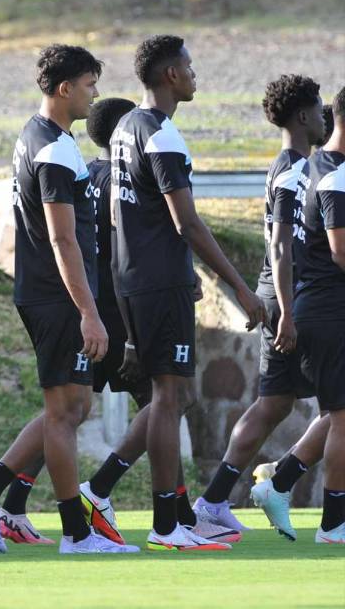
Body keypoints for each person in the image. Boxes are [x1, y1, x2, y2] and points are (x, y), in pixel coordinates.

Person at [0, 45, 138, 554]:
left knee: (74, 406)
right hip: (58, 297)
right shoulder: (55, 149)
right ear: (65, 89)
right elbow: (63, 239)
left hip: (49, 293)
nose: (95, 94)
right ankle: (76, 534)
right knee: (64, 413)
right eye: (89, 84)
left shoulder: (37, 136)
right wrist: (88, 311)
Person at [108, 35, 265, 552]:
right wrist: (240, 289)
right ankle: (165, 524)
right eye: (190, 66)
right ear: (171, 74)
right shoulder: (162, 134)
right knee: (168, 398)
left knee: (173, 395)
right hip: (159, 282)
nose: (196, 74)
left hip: (135, 276)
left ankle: (176, 514)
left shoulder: (125, 128)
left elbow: (127, 218)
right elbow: (188, 223)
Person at [196, 75, 327, 534]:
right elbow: (281, 243)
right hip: (294, 296)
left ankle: (214, 502)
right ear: (305, 115)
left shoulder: (288, 165)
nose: (327, 116)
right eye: (321, 108)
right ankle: (280, 480)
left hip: (283, 293)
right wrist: (288, 312)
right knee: (337, 406)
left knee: (273, 405)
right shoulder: (295, 170)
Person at [259, 85, 345, 544]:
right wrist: (287, 313)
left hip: (322, 308)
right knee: (342, 415)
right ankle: (334, 524)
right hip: (329, 310)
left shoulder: (318, 167)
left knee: (337, 412)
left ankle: (281, 481)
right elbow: (341, 251)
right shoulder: (332, 175)